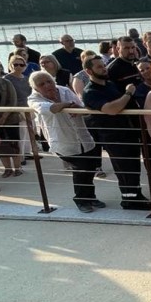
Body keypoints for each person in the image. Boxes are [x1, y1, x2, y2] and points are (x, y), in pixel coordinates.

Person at [28, 71, 104, 213]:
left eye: (49, 81)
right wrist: (68, 105)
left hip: (83, 138)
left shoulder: (64, 90)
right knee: (81, 169)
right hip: (63, 142)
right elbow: (50, 109)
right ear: (35, 88)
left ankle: (90, 197)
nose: (47, 85)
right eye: (41, 84)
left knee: (90, 168)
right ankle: (81, 200)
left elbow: (82, 107)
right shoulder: (33, 99)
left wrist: (77, 108)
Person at [81, 55, 149, 210]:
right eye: (99, 67)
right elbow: (112, 109)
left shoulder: (110, 84)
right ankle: (129, 200)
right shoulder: (90, 91)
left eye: (104, 65)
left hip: (128, 132)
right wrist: (128, 93)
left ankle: (136, 196)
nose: (104, 69)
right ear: (88, 71)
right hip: (113, 137)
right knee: (124, 170)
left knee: (133, 168)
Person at [5, 54, 33, 161]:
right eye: (15, 64)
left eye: (21, 65)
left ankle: (27, 152)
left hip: (28, 108)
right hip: (16, 109)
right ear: (10, 65)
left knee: (28, 132)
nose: (18, 67)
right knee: (20, 134)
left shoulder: (26, 79)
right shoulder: (7, 79)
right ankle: (20, 157)